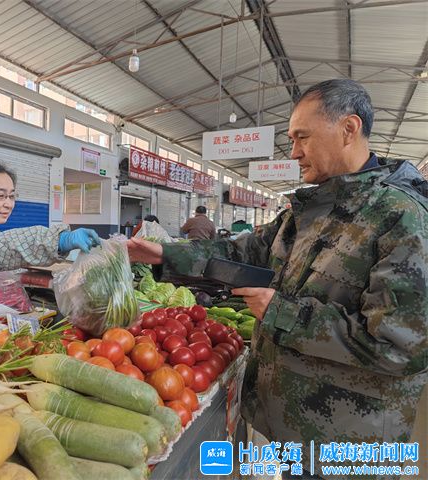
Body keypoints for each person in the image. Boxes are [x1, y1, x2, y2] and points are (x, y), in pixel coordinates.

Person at [128, 79, 428, 473]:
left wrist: (282, 313)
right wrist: (165, 253)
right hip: (295, 428)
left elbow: (402, 347)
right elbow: (243, 253)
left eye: (303, 137)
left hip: (349, 442)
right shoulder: (309, 211)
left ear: (348, 129)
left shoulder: (402, 218)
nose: (295, 152)